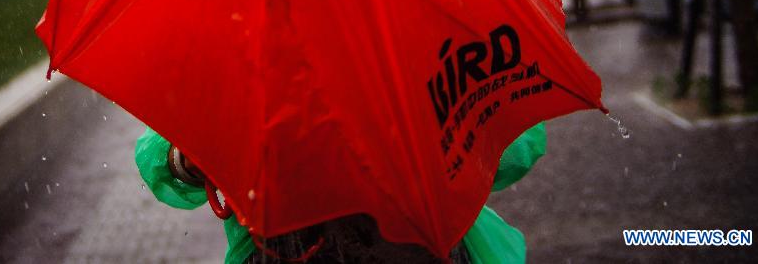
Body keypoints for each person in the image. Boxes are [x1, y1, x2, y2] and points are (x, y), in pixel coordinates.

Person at [136, 123, 546, 263]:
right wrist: (184, 157)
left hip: (421, 246)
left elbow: (519, 137)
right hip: (281, 250)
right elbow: (158, 149)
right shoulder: (238, 24)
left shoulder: (422, 8)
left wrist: (439, 140)